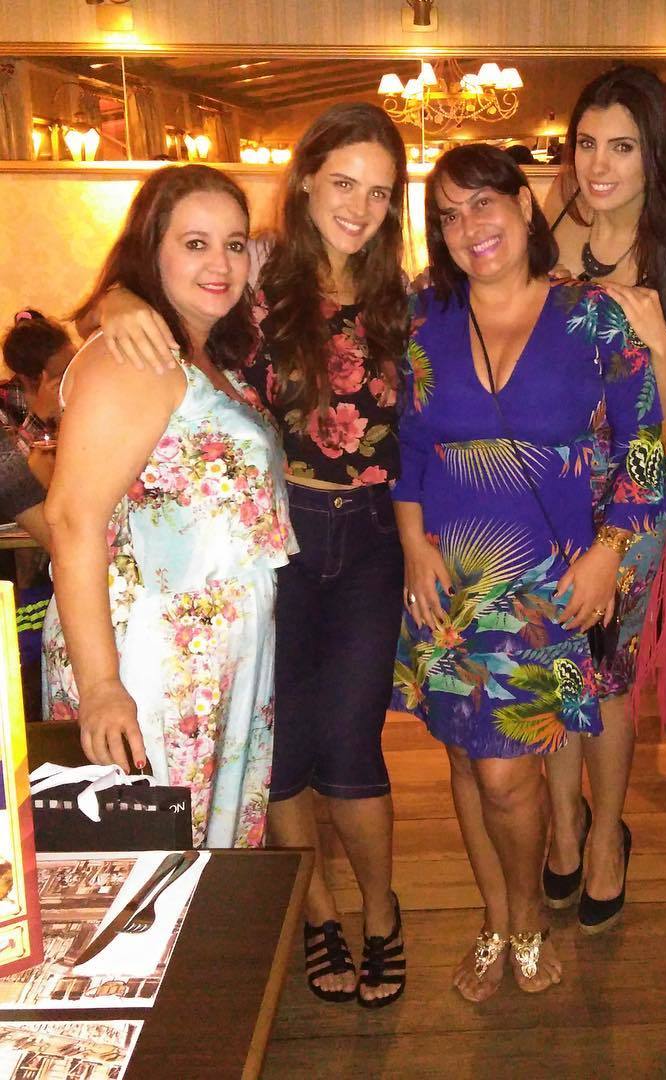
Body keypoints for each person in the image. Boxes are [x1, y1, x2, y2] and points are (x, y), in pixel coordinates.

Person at [84, 104, 410, 1008]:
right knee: (283, 749)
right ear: (304, 180)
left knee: (353, 747)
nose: (359, 206)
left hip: (371, 537)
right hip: (273, 535)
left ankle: (381, 913)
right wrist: (115, 300)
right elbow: (162, 292)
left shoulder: (406, 297)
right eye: (343, 182)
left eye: (380, 192)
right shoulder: (255, 272)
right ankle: (316, 915)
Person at [393, 144, 666, 1000]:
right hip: (448, 574)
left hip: (550, 582)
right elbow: (408, 447)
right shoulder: (425, 317)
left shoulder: (593, 317)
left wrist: (610, 552)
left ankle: (526, 918)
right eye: (448, 215)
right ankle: (497, 920)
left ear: (525, 206)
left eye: (484, 203)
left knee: (505, 771)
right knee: (464, 757)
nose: (469, 227)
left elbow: (646, 446)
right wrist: (412, 545)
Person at [42, 164, 295, 852]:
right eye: (195, 243)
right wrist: (101, 686)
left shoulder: (201, 356)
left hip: (211, 658)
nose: (221, 263)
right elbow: (72, 519)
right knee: (147, 858)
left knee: (198, 852)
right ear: (151, 251)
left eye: (234, 244)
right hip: (152, 659)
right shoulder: (137, 357)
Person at [540, 64, 666, 931]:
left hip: (628, 499)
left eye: (623, 147)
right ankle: (562, 825)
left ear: (654, 157)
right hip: (539, 489)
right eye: (587, 144)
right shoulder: (544, 232)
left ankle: (606, 833)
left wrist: (657, 341)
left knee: (603, 676)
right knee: (552, 665)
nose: (599, 164)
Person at [1, 310, 75, 485]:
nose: (75, 375)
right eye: (64, 373)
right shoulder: (4, 405)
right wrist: (38, 417)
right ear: (30, 378)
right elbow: (5, 474)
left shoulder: (79, 394)